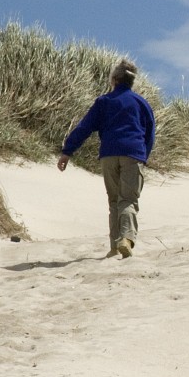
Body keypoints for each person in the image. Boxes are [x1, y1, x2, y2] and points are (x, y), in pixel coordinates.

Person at [57, 58, 156, 258]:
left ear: (114, 80)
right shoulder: (141, 103)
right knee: (128, 200)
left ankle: (114, 246)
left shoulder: (104, 102)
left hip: (109, 155)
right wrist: (143, 155)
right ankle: (126, 239)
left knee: (114, 201)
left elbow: (84, 127)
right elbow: (150, 133)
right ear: (131, 81)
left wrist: (68, 151)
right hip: (133, 154)